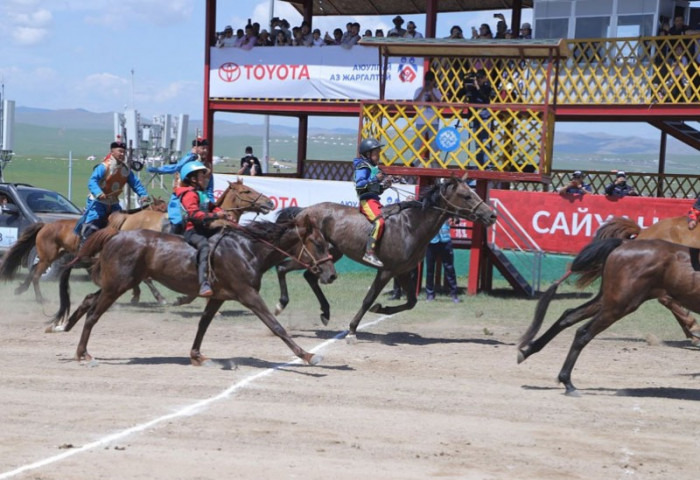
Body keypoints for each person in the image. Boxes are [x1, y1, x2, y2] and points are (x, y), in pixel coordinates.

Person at [75, 138, 149, 245]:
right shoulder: (103, 167)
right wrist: (99, 193)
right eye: (120, 151)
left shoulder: (126, 170)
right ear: (112, 152)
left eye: (124, 152)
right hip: (98, 202)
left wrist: (143, 194)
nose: (122, 154)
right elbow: (92, 181)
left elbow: (135, 183)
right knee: (94, 223)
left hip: (114, 203)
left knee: (120, 223)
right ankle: (84, 247)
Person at [175, 161, 230, 297]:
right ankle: (203, 283)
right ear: (193, 179)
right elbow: (194, 215)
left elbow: (211, 207)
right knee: (205, 246)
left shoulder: (201, 193)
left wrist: (224, 213)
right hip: (192, 231)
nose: (206, 179)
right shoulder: (189, 194)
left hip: (205, 228)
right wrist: (216, 215)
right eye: (202, 176)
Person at [148, 137, 213, 234]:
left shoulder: (207, 166)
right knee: (178, 221)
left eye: (206, 148)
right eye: (202, 148)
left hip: (201, 199)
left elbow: (210, 188)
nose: (205, 151)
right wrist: (158, 169)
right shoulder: (188, 159)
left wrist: (212, 203)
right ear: (195, 148)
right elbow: (176, 167)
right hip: (182, 197)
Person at [354, 138, 391, 268]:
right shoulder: (362, 166)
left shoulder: (372, 167)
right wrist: (375, 178)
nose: (379, 156)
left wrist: (384, 186)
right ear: (368, 154)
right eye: (376, 153)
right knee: (379, 222)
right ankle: (369, 252)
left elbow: (375, 189)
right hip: (367, 201)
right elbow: (360, 185)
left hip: (374, 199)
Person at [458, 69, 494, 168]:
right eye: (476, 78)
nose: (477, 80)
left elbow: (486, 99)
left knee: (485, 140)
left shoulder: (487, 87)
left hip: (484, 116)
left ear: (484, 78)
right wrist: (465, 87)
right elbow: (459, 95)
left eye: (479, 78)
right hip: (474, 116)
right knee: (477, 142)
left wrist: (478, 87)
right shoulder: (472, 88)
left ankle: (487, 164)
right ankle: (480, 163)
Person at [425, 220, 460, 303]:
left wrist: (454, 220)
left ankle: (454, 294)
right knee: (430, 269)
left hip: (445, 241)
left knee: (449, 268)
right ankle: (430, 294)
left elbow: (456, 219)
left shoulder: (447, 209)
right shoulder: (430, 209)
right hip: (431, 241)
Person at [412, 71, 442, 165]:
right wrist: (423, 91)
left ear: (433, 81)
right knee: (417, 144)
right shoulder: (419, 90)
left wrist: (431, 92)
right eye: (426, 80)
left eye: (430, 80)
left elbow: (437, 104)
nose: (428, 82)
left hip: (433, 122)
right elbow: (415, 102)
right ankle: (413, 163)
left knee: (434, 145)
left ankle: (435, 165)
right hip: (421, 121)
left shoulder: (436, 91)